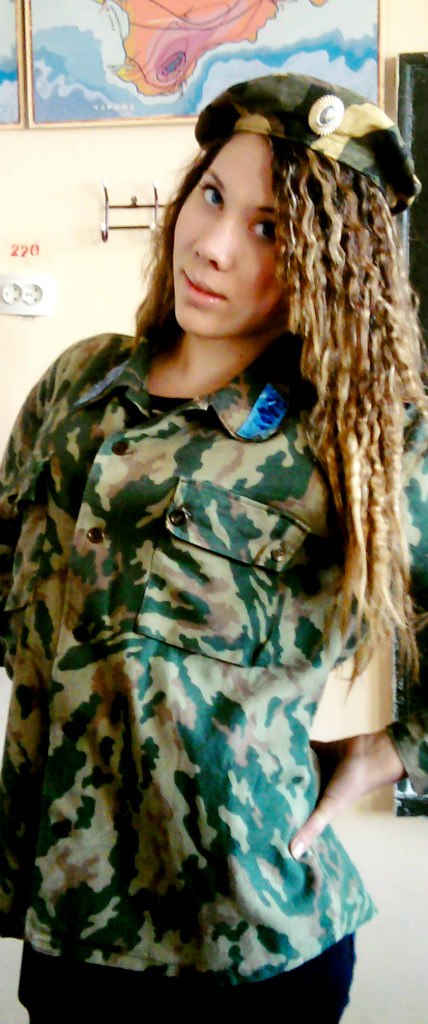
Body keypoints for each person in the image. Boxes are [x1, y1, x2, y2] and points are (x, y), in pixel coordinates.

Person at [0, 73, 427, 1023]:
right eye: (212, 196)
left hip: (248, 949)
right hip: (68, 932)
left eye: (269, 228)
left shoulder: (356, 443)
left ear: (326, 266)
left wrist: (390, 749)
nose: (214, 244)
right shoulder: (76, 387)